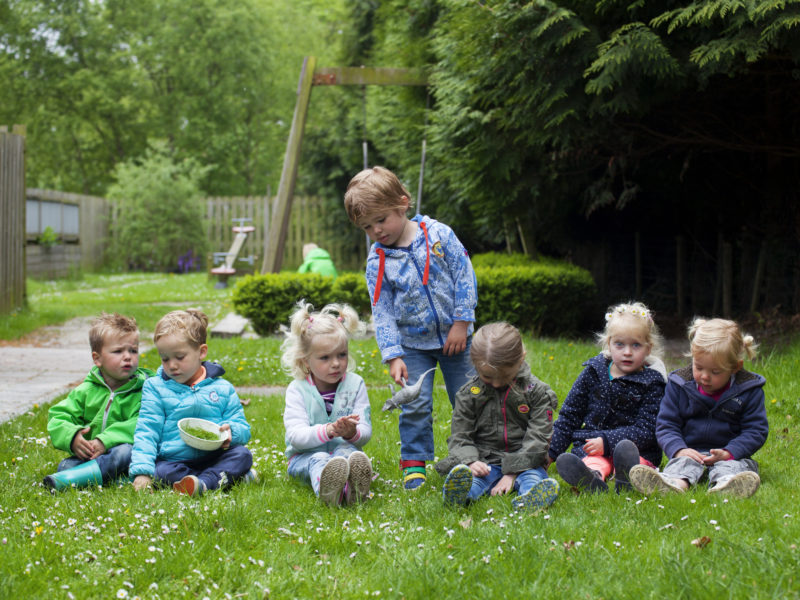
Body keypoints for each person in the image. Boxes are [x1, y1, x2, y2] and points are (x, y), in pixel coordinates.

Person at [344, 166, 478, 490]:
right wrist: (392, 355)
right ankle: (414, 464)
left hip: (456, 339)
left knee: (470, 399)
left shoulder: (439, 236)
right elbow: (382, 310)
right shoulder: (378, 262)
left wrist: (462, 322)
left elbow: (464, 275)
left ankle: (474, 455)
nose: (376, 230)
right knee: (414, 404)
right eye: (367, 226)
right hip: (413, 346)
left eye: (381, 219)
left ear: (402, 204)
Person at [630, 318, 767, 498]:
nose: (705, 377)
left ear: (735, 367)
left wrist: (730, 452)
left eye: (715, 372)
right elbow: (666, 424)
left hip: (730, 454)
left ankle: (726, 486)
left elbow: (755, 430)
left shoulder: (748, 389)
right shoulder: (679, 384)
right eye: (699, 367)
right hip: (690, 451)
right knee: (682, 464)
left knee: (733, 469)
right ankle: (672, 484)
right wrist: (679, 449)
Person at [435, 322, 560, 511]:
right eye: (487, 377)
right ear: (475, 364)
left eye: (504, 377)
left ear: (521, 359)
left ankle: (531, 497)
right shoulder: (469, 394)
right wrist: (471, 461)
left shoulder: (537, 393)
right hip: (485, 460)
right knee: (475, 479)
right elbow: (460, 435)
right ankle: (460, 495)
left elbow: (539, 437)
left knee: (532, 477)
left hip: (526, 461)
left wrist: (511, 473)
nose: (495, 384)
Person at [130, 309, 253, 496]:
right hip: (175, 460)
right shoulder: (155, 387)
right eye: (165, 358)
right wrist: (142, 472)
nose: (172, 365)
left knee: (242, 455)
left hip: (214, 456)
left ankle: (202, 483)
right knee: (161, 472)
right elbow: (147, 430)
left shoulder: (222, 388)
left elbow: (243, 429)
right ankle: (221, 479)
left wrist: (231, 433)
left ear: (201, 352)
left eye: (180, 357)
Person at [550, 301, 667, 494]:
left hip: (637, 450)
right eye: (619, 344)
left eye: (636, 345)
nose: (627, 352)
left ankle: (627, 477)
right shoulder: (593, 372)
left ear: (648, 348)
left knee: (635, 462)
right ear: (608, 343)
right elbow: (570, 415)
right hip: (592, 447)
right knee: (593, 462)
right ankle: (592, 478)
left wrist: (607, 441)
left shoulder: (653, 383)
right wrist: (551, 453)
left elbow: (647, 429)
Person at [44, 313, 154, 491]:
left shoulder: (143, 391)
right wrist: (72, 438)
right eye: (118, 351)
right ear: (97, 358)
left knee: (125, 452)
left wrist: (105, 441)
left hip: (126, 454)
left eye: (133, 350)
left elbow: (141, 423)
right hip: (90, 455)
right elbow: (58, 417)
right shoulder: (86, 391)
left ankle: (81, 479)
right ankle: (106, 478)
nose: (128, 357)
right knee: (65, 466)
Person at [281, 301, 373, 506]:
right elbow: (296, 437)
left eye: (342, 354)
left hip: (342, 450)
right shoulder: (298, 390)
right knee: (319, 458)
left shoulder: (355, 384)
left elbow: (365, 432)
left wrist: (352, 433)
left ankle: (353, 491)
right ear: (306, 361)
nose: (336, 363)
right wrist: (329, 430)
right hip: (304, 458)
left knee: (349, 453)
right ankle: (330, 493)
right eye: (325, 357)